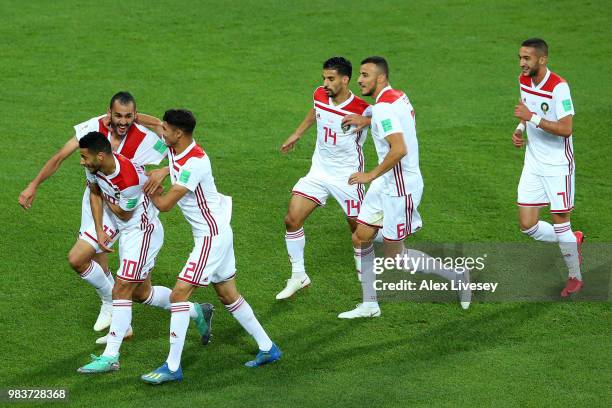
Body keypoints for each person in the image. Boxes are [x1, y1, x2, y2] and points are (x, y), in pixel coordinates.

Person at [140, 109, 280, 384]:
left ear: (178, 133)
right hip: (219, 231)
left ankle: (172, 367)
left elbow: (166, 205)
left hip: (210, 236)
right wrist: (127, 117)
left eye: (166, 129)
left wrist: (150, 184)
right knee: (228, 296)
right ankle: (268, 348)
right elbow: (153, 123)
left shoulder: (195, 163)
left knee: (179, 295)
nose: (161, 132)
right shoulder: (176, 143)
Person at [18, 92, 170, 335]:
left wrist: (162, 170)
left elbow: (181, 154)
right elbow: (60, 156)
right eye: (117, 116)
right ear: (108, 113)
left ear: (135, 115)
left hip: (130, 210)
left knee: (139, 289)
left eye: (128, 116)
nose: (122, 122)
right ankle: (111, 304)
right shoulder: (94, 128)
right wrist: (34, 185)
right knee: (92, 255)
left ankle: (123, 311)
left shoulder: (145, 138)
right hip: (99, 199)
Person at [339, 57, 470, 319]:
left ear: (380, 78)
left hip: (400, 187)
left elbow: (399, 149)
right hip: (386, 183)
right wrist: (367, 120)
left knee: (396, 258)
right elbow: (397, 117)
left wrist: (370, 175)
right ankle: (370, 304)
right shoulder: (397, 97)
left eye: (365, 75)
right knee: (360, 237)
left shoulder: (385, 108)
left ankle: (457, 276)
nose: (359, 80)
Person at [75, 131, 211, 373]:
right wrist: (98, 229)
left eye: (85, 157)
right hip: (119, 224)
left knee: (122, 288)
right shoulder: (95, 166)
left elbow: (124, 213)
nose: (82, 162)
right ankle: (196, 310)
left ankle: (111, 356)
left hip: (141, 231)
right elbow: (96, 192)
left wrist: (109, 203)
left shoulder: (127, 179)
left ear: (101, 155)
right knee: (141, 294)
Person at [277, 56, 372, 300]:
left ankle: (379, 266)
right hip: (319, 172)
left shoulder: (363, 109)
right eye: (324, 78)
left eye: (331, 79)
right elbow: (315, 111)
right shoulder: (320, 94)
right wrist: (297, 134)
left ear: (345, 79)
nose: (325, 83)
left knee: (362, 234)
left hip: (348, 177)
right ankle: (299, 275)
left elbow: (393, 122)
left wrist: (368, 120)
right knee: (292, 219)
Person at [512, 38, 583, 297]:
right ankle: (571, 241)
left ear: (542, 59)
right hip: (533, 163)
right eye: (520, 57)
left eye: (527, 58)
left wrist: (531, 118)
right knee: (527, 225)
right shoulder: (524, 80)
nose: (522, 63)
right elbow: (527, 111)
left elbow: (566, 128)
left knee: (560, 222)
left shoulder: (559, 87)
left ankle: (575, 276)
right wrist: (521, 128)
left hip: (557, 166)